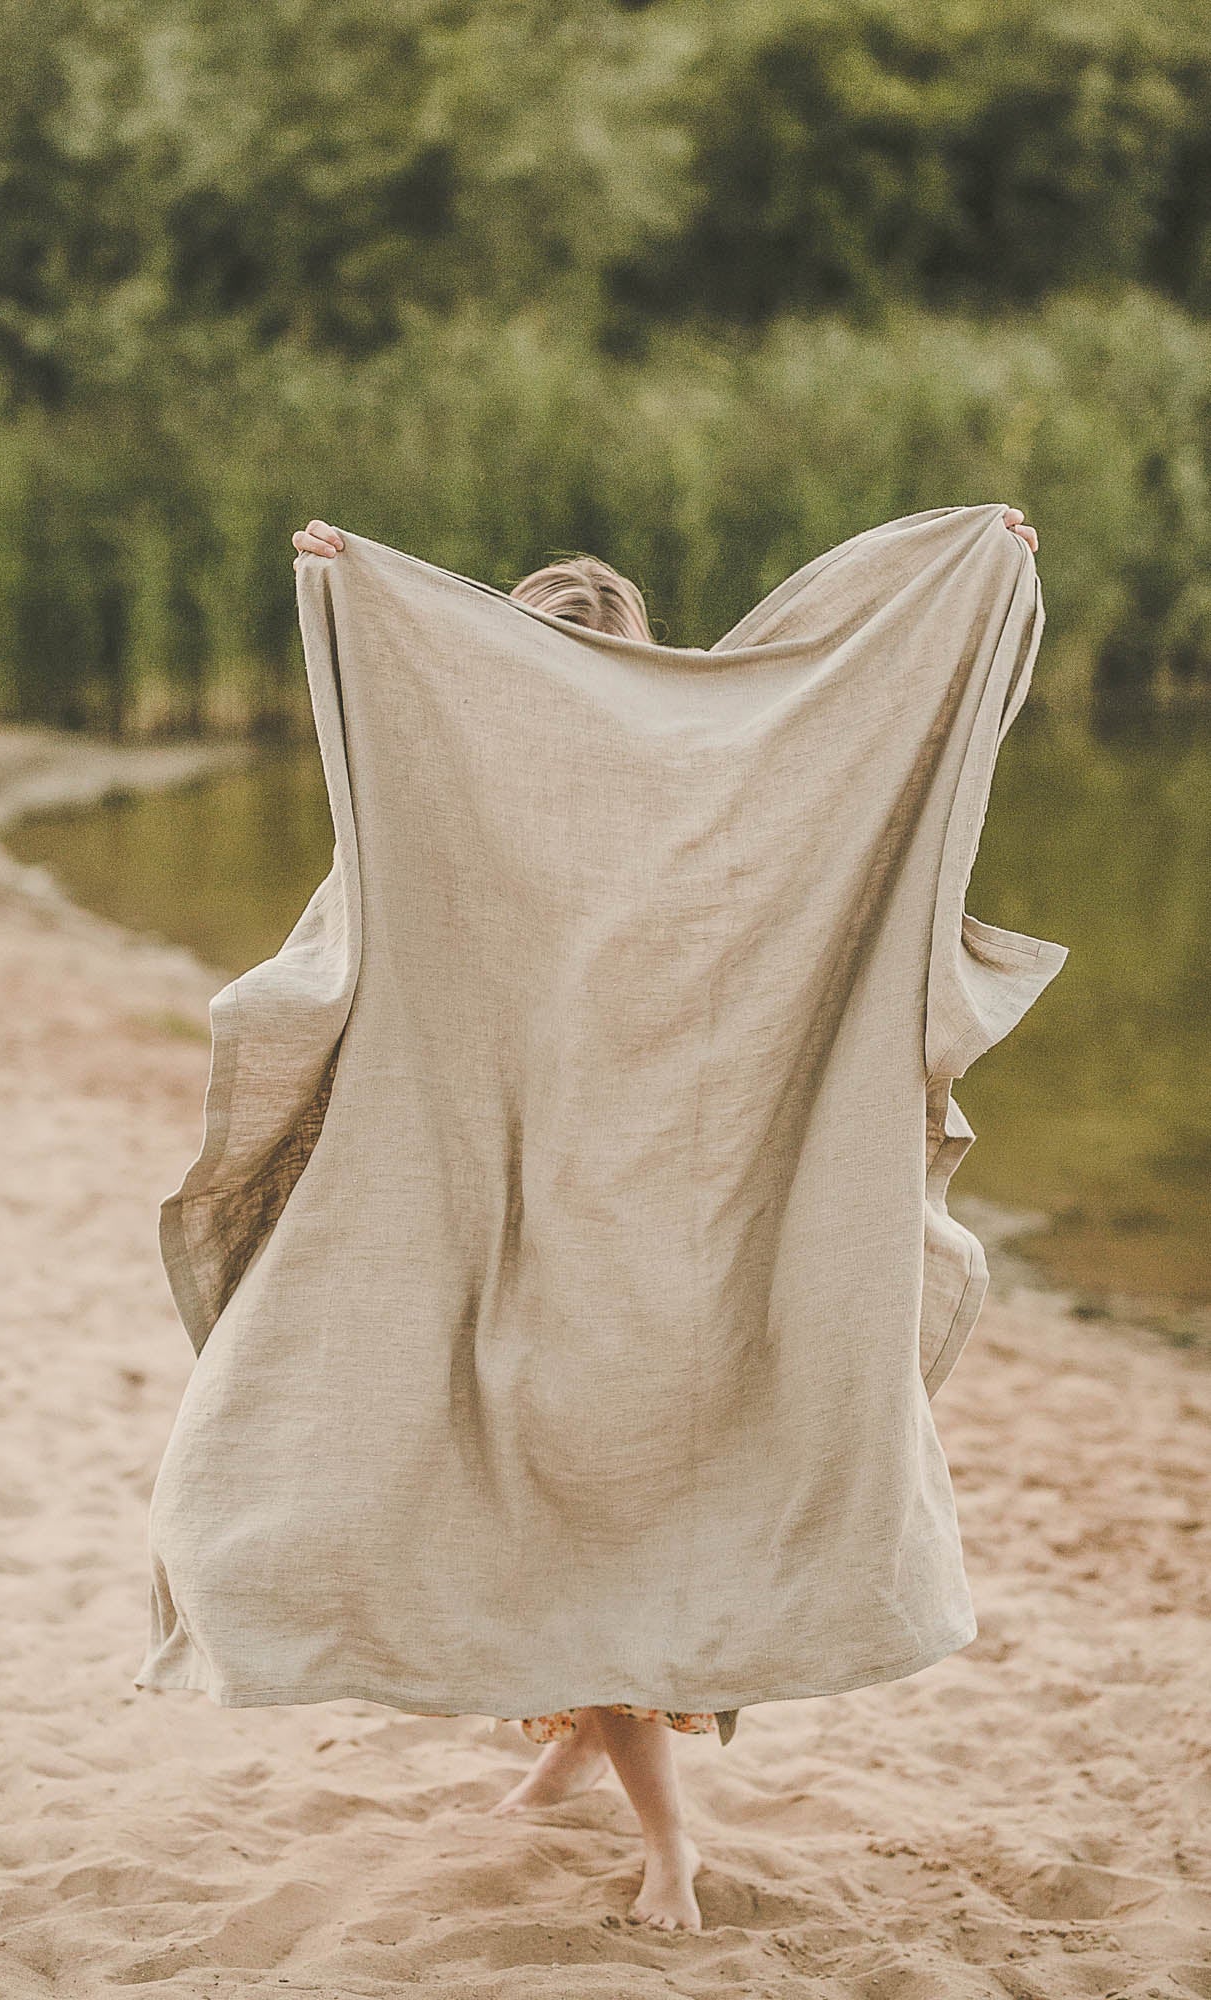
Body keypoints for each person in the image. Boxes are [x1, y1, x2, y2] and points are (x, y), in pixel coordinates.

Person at [286, 502, 1040, 1932]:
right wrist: (356, 605)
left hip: (666, 1227)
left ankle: (665, 1846)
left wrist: (971, 572)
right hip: (579, 1215)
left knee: (609, 1505)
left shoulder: (699, 799)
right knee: (597, 1502)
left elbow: (863, 751)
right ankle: (580, 1747)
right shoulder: (544, 814)